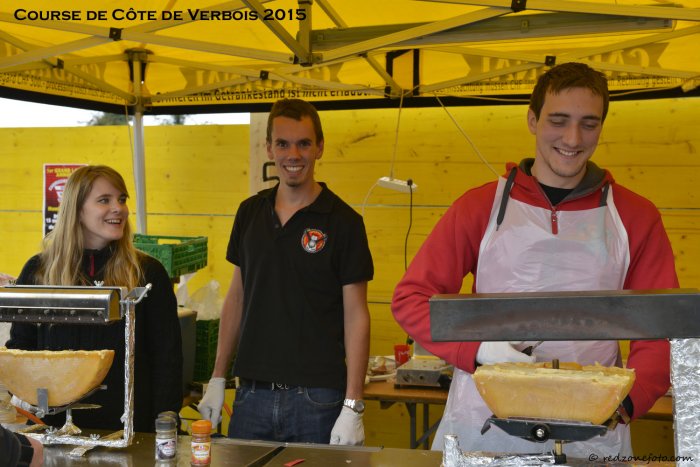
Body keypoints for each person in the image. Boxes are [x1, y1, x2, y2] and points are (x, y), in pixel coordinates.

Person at [391, 62, 677, 458]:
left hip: (593, 430)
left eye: (588, 124)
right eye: (558, 121)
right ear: (532, 120)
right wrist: (477, 349)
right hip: (484, 426)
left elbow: (661, 324)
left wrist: (630, 400)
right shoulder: (479, 207)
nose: (572, 138)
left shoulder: (635, 215)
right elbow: (412, 298)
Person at [197, 98, 373, 445]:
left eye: (304, 143)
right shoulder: (249, 213)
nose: (293, 154)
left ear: (319, 147)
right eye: (283, 144)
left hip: (318, 400)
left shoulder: (344, 223)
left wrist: (353, 405)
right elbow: (237, 297)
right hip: (251, 395)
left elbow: (356, 316)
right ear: (269, 148)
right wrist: (217, 377)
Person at [6, 165, 183, 433]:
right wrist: (24, 399)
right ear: (77, 210)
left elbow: (167, 356)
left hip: (128, 428)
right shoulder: (39, 270)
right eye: (104, 200)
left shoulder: (146, 273)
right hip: (54, 428)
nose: (118, 208)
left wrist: (165, 421)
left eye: (121, 199)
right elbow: (21, 349)